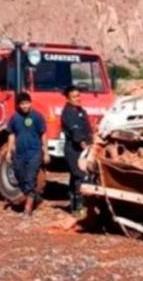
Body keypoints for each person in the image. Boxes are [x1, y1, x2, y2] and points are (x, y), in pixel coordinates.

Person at [6, 92, 48, 216]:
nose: (25, 106)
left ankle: (28, 208)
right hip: (19, 153)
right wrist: (9, 151)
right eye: (22, 104)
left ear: (30, 103)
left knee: (30, 178)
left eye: (27, 103)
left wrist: (45, 152)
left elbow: (43, 134)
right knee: (20, 176)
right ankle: (32, 197)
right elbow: (11, 135)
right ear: (18, 105)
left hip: (34, 152)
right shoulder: (14, 118)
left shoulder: (37, 117)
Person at [61, 86, 92, 215]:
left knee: (75, 177)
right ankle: (79, 208)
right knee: (81, 176)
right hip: (74, 149)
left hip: (84, 148)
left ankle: (74, 207)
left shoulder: (81, 111)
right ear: (68, 99)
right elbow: (76, 133)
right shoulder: (68, 113)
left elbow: (87, 129)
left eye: (78, 96)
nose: (77, 99)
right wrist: (84, 146)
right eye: (74, 97)